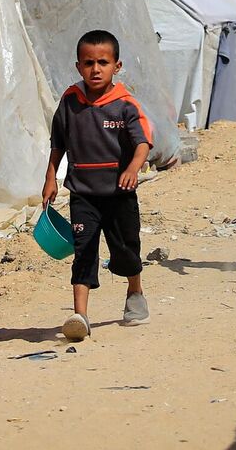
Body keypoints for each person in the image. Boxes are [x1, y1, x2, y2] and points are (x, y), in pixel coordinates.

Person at [43, 29, 154, 342]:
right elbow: (57, 145)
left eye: (102, 62)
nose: (95, 69)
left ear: (116, 66)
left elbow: (143, 143)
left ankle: (135, 291)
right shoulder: (70, 102)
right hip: (83, 194)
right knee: (84, 251)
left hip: (120, 194)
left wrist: (133, 168)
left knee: (126, 250)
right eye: (88, 62)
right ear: (78, 66)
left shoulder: (125, 105)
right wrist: (50, 178)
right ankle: (80, 316)